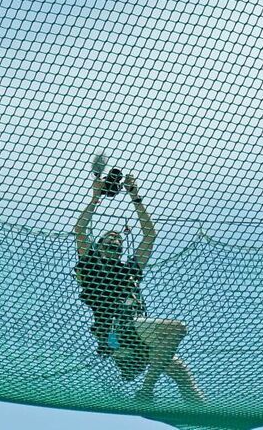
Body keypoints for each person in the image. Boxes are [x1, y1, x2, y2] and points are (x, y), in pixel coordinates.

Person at [73, 172, 203, 403]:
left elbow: (150, 235)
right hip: (117, 331)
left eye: (118, 240)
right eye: (109, 238)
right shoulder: (91, 263)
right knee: (177, 329)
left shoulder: (129, 270)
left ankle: (204, 418)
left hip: (138, 338)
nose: (115, 239)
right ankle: (146, 390)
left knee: (184, 376)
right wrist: (96, 197)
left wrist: (135, 195)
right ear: (99, 244)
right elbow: (81, 230)